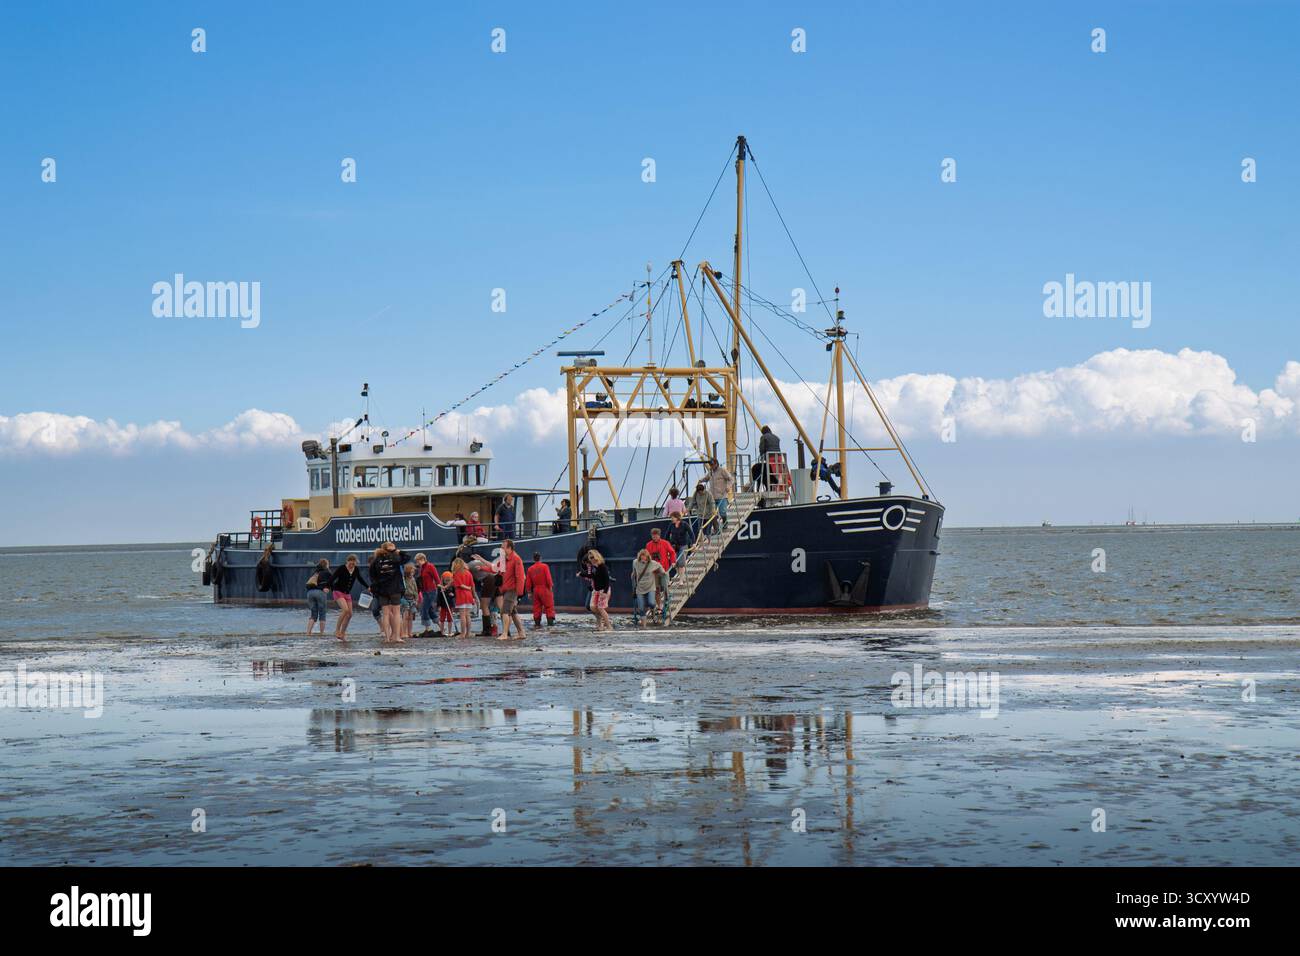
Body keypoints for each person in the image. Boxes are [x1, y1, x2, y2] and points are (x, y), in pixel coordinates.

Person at [368, 541, 410, 644]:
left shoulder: (376, 560)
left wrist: (376, 588)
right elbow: (407, 557)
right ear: (390, 549)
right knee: (396, 613)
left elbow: (372, 576)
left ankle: (387, 638)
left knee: (385, 614)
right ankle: (396, 636)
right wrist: (396, 551)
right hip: (394, 589)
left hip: (382, 590)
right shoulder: (395, 558)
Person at [329, 554, 369, 641]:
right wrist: (327, 587)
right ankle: (336, 630)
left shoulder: (356, 569)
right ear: (347, 562)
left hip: (347, 593)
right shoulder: (342, 568)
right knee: (345, 610)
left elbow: (360, 579)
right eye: (350, 564)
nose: (352, 566)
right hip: (338, 591)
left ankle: (342, 634)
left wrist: (368, 587)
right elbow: (332, 578)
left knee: (350, 614)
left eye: (354, 564)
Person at [498, 538, 527, 640]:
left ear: (509, 548)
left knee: (505, 611)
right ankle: (521, 633)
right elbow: (496, 569)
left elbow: (520, 576)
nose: (501, 549)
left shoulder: (516, 559)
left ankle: (505, 634)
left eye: (503, 547)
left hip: (512, 590)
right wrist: (483, 565)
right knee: (513, 613)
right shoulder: (504, 558)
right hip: (507, 589)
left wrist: (519, 592)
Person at [630, 549, 668, 627]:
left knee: (651, 603)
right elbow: (634, 572)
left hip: (650, 586)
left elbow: (660, 566)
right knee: (641, 608)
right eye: (642, 557)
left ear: (648, 557)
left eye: (645, 557)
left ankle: (653, 612)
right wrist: (633, 577)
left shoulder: (652, 563)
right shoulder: (635, 562)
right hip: (640, 588)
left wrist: (663, 573)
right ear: (639, 556)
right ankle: (644, 626)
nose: (643, 558)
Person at [578, 549, 612, 631]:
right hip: (596, 590)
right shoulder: (593, 567)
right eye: (590, 558)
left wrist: (605, 591)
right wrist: (581, 574)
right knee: (592, 607)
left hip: (603, 589)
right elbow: (591, 576)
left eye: (592, 557)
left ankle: (609, 626)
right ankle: (601, 623)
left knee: (600, 608)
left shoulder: (602, 566)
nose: (591, 559)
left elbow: (607, 580)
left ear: (597, 557)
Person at [470, 554, 501, 637]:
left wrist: (475, 597)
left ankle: (486, 630)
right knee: (499, 606)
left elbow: (472, 585)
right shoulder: (477, 563)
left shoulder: (468, 568)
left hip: (489, 580)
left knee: (484, 605)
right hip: (497, 579)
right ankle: (506, 630)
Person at [525, 551, 556, 627]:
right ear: (540, 558)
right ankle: (550, 625)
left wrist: (529, 592)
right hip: (545, 589)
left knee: (536, 608)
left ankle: (537, 624)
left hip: (535, 590)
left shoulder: (530, 569)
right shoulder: (545, 566)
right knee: (549, 606)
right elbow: (548, 578)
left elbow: (528, 582)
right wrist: (550, 587)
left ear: (533, 559)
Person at [416, 553, 441, 638]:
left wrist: (439, 584)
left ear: (423, 559)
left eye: (418, 561)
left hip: (431, 591)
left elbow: (436, 577)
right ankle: (441, 626)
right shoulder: (421, 568)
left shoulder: (430, 566)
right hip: (424, 591)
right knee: (430, 609)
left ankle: (427, 628)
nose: (417, 563)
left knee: (424, 608)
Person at [305, 558, 331, 636]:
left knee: (313, 614)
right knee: (322, 613)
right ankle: (321, 633)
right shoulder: (327, 572)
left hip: (310, 593)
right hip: (320, 592)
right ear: (326, 565)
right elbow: (332, 580)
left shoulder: (315, 572)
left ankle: (308, 632)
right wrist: (328, 588)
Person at [451, 558, 476, 639]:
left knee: (462, 615)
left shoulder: (456, 573)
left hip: (461, 595)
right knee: (467, 615)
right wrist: (474, 595)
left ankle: (462, 634)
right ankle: (468, 633)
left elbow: (460, 584)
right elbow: (472, 585)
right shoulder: (468, 573)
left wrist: (467, 588)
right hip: (469, 596)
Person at [706, 458, 735, 528]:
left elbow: (731, 479)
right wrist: (701, 480)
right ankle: (716, 528)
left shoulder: (722, 470)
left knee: (722, 512)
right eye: (710, 465)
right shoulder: (710, 472)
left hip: (721, 495)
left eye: (712, 464)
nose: (711, 466)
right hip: (712, 496)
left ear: (716, 464)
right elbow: (706, 478)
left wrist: (728, 486)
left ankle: (725, 523)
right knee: (713, 514)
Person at [754, 425, 781, 489]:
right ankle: (778, 486)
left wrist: (761, 457)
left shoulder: (763, 437)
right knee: (776, 473)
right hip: (779, 457)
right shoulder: (776, 437)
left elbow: (762, 448)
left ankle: (769, 486)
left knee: (769, 472)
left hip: (770, 457)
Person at [400, 564, 419, 640]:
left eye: (413, 571)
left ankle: (409, 632)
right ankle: (403, 632)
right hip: (405, 599)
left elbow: (415, 589)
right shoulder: (404, 579)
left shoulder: (413, 579)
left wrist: (416, 599)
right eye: (412, 571)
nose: (413, 572)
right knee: (405, 616)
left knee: (411, 617)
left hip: (412, 599)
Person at [437, 570, 458, 636]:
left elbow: (455, 594)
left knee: (450, 619)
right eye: (446, 580)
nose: (447, 582)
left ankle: (449, 632)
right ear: (443, 580)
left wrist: (453, 595)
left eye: (449, 580)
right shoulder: (440, 587)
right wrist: (439, 605)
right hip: (443, 605)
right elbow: (438, 597)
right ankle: (442, 632)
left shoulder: (452, 587)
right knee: (442, 619)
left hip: (450, 604)